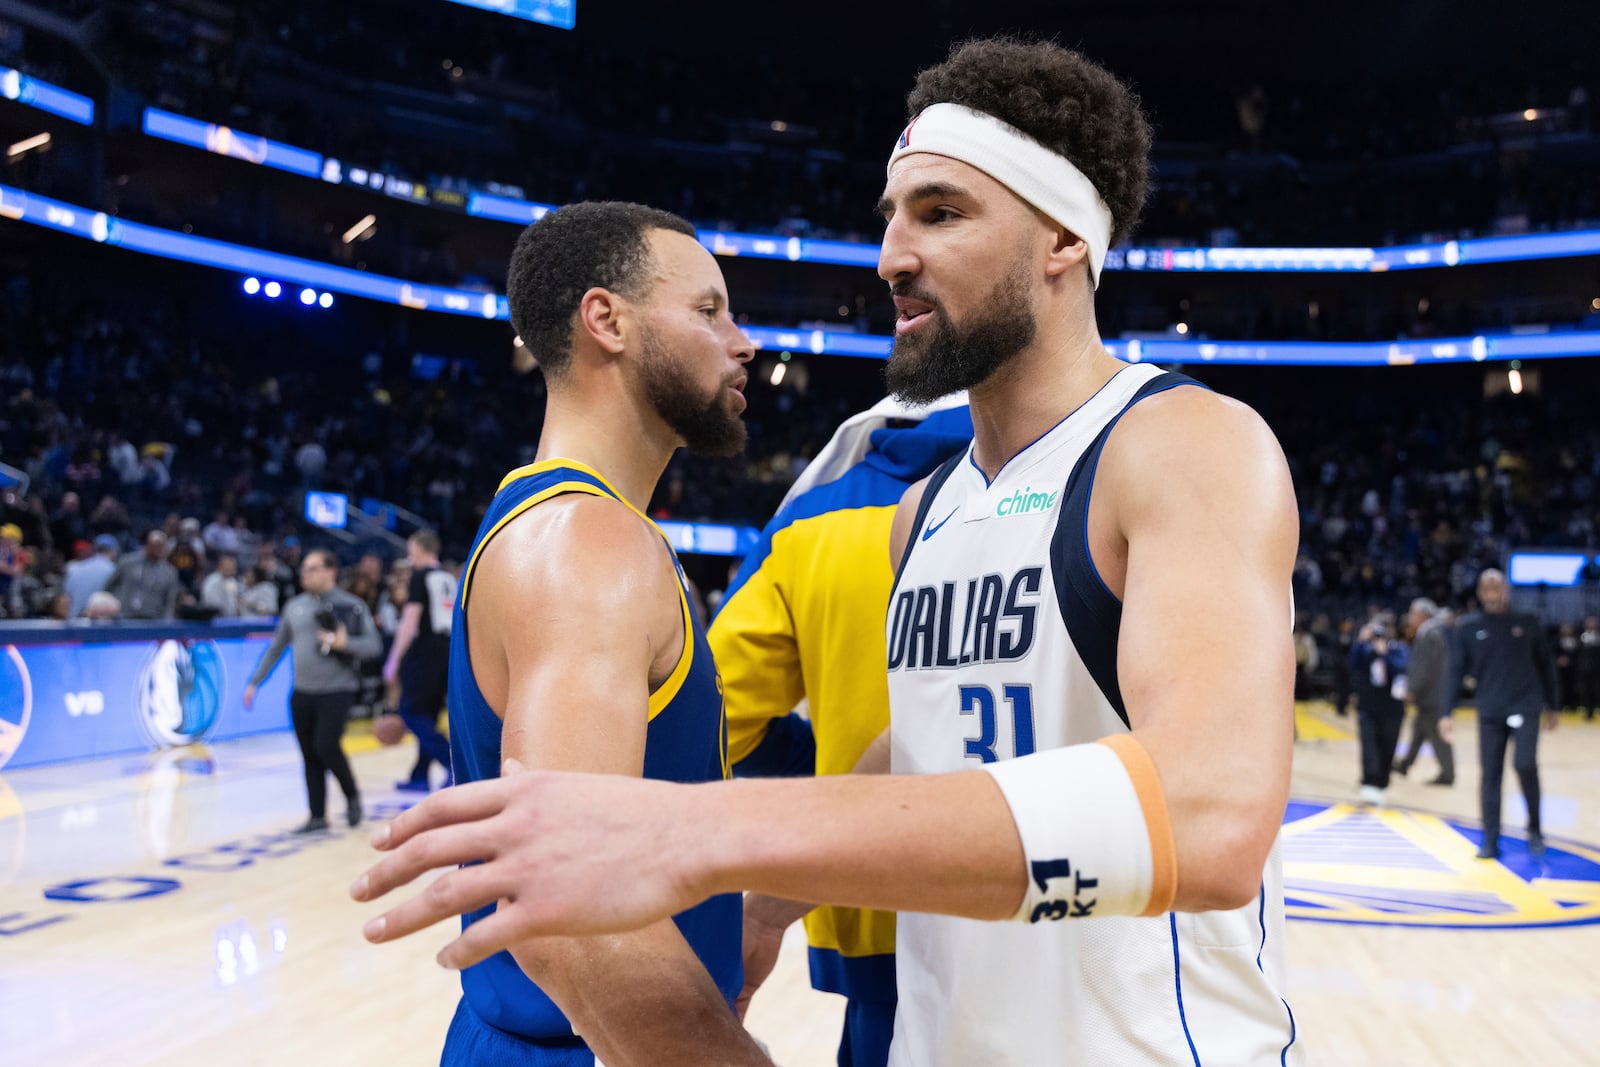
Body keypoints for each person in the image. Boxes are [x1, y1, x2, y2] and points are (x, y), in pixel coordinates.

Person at [354, 40, 1300, 1065]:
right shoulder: (921, 513)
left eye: (939, 212)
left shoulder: (1184, 442)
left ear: (1063, 238)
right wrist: (767, 905)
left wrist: (704, 833)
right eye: (889, 217)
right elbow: (938, 746)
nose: (891, 254)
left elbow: (1209, 818)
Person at [393, 201, 768, 1066]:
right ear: (607, 321)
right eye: (709, 311)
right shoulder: (588, 543)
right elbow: (566, 918)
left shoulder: (558, 517)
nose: (742, 341)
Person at [712, 394, 972, 1066]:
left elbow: (718, 714)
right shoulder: (1067, 487)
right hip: (1049, 915)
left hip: (869, 906)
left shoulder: (814, 517)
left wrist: (828, 766)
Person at [245, 549, 380, 832]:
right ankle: (317, 815)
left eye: (312, 568)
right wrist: (256, 681)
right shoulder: (295, 606)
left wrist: (345, 645)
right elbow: (277, 647)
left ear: (330, 571)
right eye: (304, 569)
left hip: (337, 689)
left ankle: (351, 794)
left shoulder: (352, 606)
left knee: (326, 745)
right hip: (303, 691)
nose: (305, 574)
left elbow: (373, 646)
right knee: (309, 754)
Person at [1442, 568, 1559, 860]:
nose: (1493, 593)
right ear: (1480, 593)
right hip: (1491, 709)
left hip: (1526, 705)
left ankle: (1534, 828)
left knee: (1525, 764)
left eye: (1497, 587)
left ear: (1506, 589)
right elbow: (1455, 672)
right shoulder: (1469, 627)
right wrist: (1445, 712)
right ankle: (1490, 840)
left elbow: (1547, 666)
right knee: (1490, 775)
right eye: (1487, 588)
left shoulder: (1528, 622)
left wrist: (1554, 705)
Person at [382, 530, 457, 791]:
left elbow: (411, 621)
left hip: (425, 648)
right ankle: (419, 776)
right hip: (448, 648)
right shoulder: (448, 577)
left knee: (410, 711)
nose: (408, 554)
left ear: (421, 548)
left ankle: (451, 760)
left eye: (411, 548)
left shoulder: (420, 576)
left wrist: (393, 660)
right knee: (429, 713)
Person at [1393, 598, 1454, 785]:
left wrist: (1413, 689)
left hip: (1432, 694)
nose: (1409, 618)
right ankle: (1405, 763)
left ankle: (1448, 773)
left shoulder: (1431, 634)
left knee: (1437, 735)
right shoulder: (1430, 632)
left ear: (1421, 615)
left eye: (1412, 613)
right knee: (1419, 730)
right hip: (1431, 693)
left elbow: (1426, 667)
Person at [1349, 616, 1408, 806]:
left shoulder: (1399, 650)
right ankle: (1369, 784)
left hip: (1392, 711)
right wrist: (1360, 640)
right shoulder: (1366, 650)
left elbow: (1402, 669)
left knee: (1387, 749)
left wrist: (1384, 654)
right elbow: (1351, 664)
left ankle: (1382, 784)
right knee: (1369, 748)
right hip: (1368, 708)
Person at [104, 529, 181, 620]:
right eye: (155, 545)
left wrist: (166, 621)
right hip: (124, 616)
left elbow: (170, 601)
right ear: (147, 545)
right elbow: (108, 587)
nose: (159, 549)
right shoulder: (127, 562)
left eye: (162, 546)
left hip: (152, 619)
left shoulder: (169, 571)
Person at [63, 534, 119, 618]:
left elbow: (66, 596)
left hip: (73, 623)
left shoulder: (74, 568)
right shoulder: (113, 570)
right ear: (114, 551)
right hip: (97, 623)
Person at [1578, 615, 1600, 721]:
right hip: (1585, 669)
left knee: (1597, 690)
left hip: (1597, 669)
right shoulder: (1583, 636)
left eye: (1593, 623)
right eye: (1589, 623)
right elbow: (1579, 652)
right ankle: (1589, 713)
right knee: (1586, 691)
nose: (1591, 625)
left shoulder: (1598, 636)